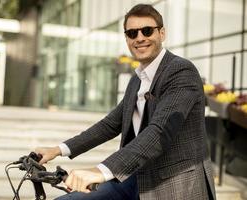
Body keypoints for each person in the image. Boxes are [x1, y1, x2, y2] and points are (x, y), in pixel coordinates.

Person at [35, 4, 216, 200]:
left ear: (162, 34)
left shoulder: (181, 71)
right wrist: (57, 150)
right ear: (127, 39)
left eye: (147, 31)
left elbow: (159, 131)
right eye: (132, 33)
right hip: (135, 176)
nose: (139, 38)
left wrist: (99, 171)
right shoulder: (138, 79)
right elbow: (110, 124)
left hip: (173, 184)